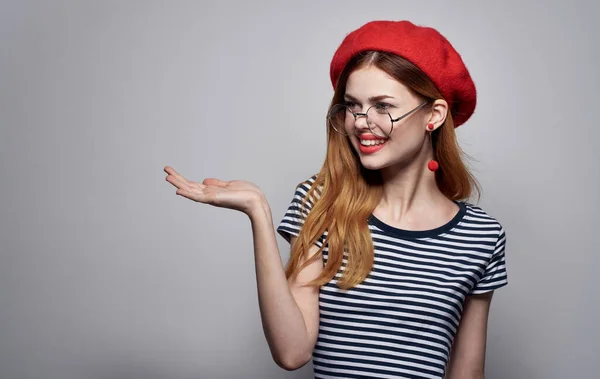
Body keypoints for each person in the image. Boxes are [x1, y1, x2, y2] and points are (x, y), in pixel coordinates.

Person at [164, 20, 507, 379]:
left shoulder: (481, 236)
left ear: (433, 116)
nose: (361, 122)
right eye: (352, 106)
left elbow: (467, 373)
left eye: (383, 106)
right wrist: (259, 213)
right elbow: (292, 351)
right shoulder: (321, 202)